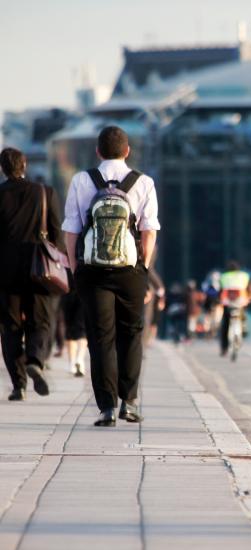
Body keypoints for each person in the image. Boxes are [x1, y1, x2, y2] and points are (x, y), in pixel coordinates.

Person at [62, 126, 159, 426]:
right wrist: (143, 265)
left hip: (92, 269)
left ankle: (107, 408)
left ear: (98, 152)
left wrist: (75, 267)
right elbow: (149, 230)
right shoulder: (143, 182)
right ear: (127, 151)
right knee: (131, 334)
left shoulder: (81, 180)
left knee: (100, 336)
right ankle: (129, 402)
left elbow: (71, 230)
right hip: (130, 269)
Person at [0, 147, 62, 400]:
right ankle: (36, 359)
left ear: (3, 168)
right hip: (39, 268)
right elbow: (56, 231)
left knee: (10, 326)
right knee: (41, 319)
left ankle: (19, 385)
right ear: (24, 165)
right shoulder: (44, 193)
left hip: (5, 270)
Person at [219, 261, 251, 356]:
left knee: (225, 323)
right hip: (241, 299)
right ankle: (244, 327)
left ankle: (224, 348)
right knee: (243, 314)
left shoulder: (224, 276)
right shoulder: (244, 275)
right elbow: (248, 288)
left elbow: (220, 290)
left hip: (227, 301)